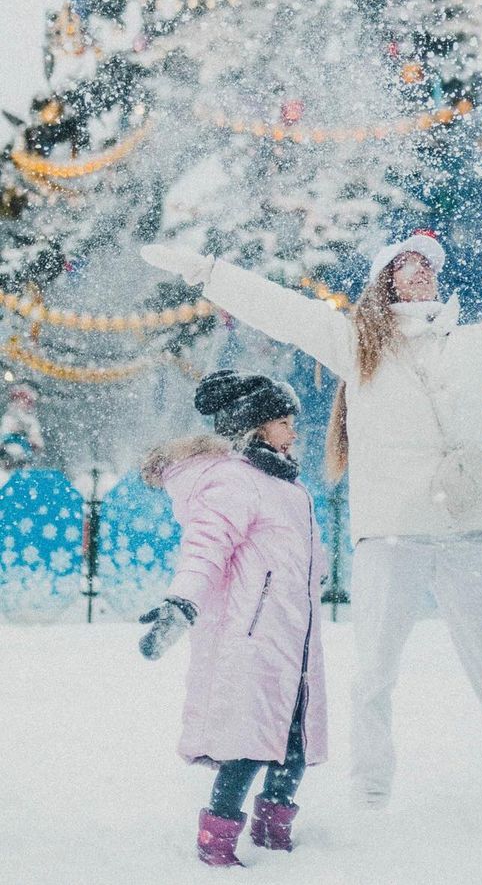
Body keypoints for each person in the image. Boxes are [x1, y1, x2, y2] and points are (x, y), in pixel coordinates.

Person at [141, 231, 482, 808]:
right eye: (406, 263)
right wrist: (206, 272)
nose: (420, 270)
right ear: (386, 280)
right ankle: (370, 792)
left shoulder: (472, 344)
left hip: (466, 532)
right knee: (374, 673)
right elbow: (280, 308)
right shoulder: (358, 345)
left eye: (428, 263)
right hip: (389, 534)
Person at [138, 369, 328, 868]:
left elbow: (300, 555)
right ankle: (217, 839)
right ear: (255, 427)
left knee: (293, 741)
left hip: (297, 637)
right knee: (246, 742)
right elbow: (206, 547)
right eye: (284, 422)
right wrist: (181, 603)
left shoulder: (288, 486)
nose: (293, 431)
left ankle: (274, 829)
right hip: (255, 635)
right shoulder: (236, 480)